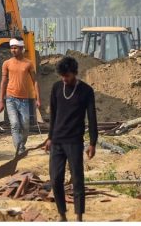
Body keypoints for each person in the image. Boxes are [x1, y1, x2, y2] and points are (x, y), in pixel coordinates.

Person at [43, 56, 97, 222]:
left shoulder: (86, 91)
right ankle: (62, 215)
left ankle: (79, 217)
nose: (64, 79)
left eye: (67, 76)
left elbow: (92, 118)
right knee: (55, 178)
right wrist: (50, 137)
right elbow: (53, 114)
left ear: (74, 73)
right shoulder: (57, 88)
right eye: (62, 76)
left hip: (74, 141)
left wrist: (93, 142)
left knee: (77, 179)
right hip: (57, 141)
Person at [0, 38, 41, 156]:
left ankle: (21, 144)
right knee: (15, 124)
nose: (13, 50)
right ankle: (19, 149)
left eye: (15, 48)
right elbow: (3, 82)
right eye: (12, 48)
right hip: (10, 98)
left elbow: (35, 81)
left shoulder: (28, 63)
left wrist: (38, 99)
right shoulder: (6, 63)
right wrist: (1, 101)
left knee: (26, 125)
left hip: (24, 100)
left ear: (22, 48)